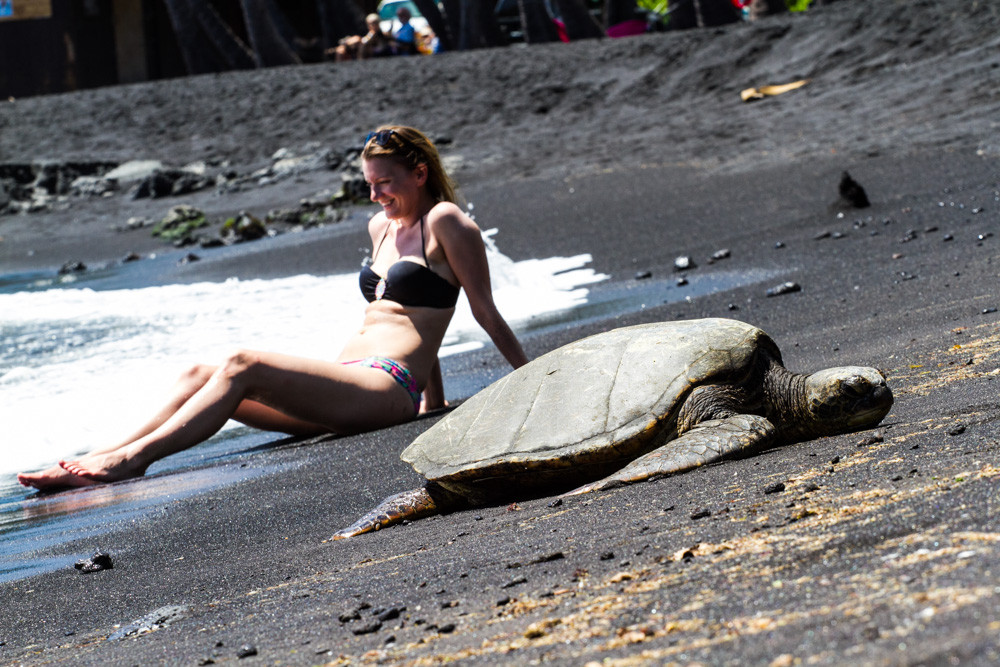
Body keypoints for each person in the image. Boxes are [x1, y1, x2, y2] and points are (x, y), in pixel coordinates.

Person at [18, 126, 528, 492]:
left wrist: (534, 378)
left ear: (419, 174)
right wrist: (433, 402)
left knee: (243, 362)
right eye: (368, 184)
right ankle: (99, 457)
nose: (374, 195)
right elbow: (411, 314)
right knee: (198, 373)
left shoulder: (446, 221)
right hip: (348, 384)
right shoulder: (382, 228)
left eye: (385, 183)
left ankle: (132, 461)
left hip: (385, 389)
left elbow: (479, 310)